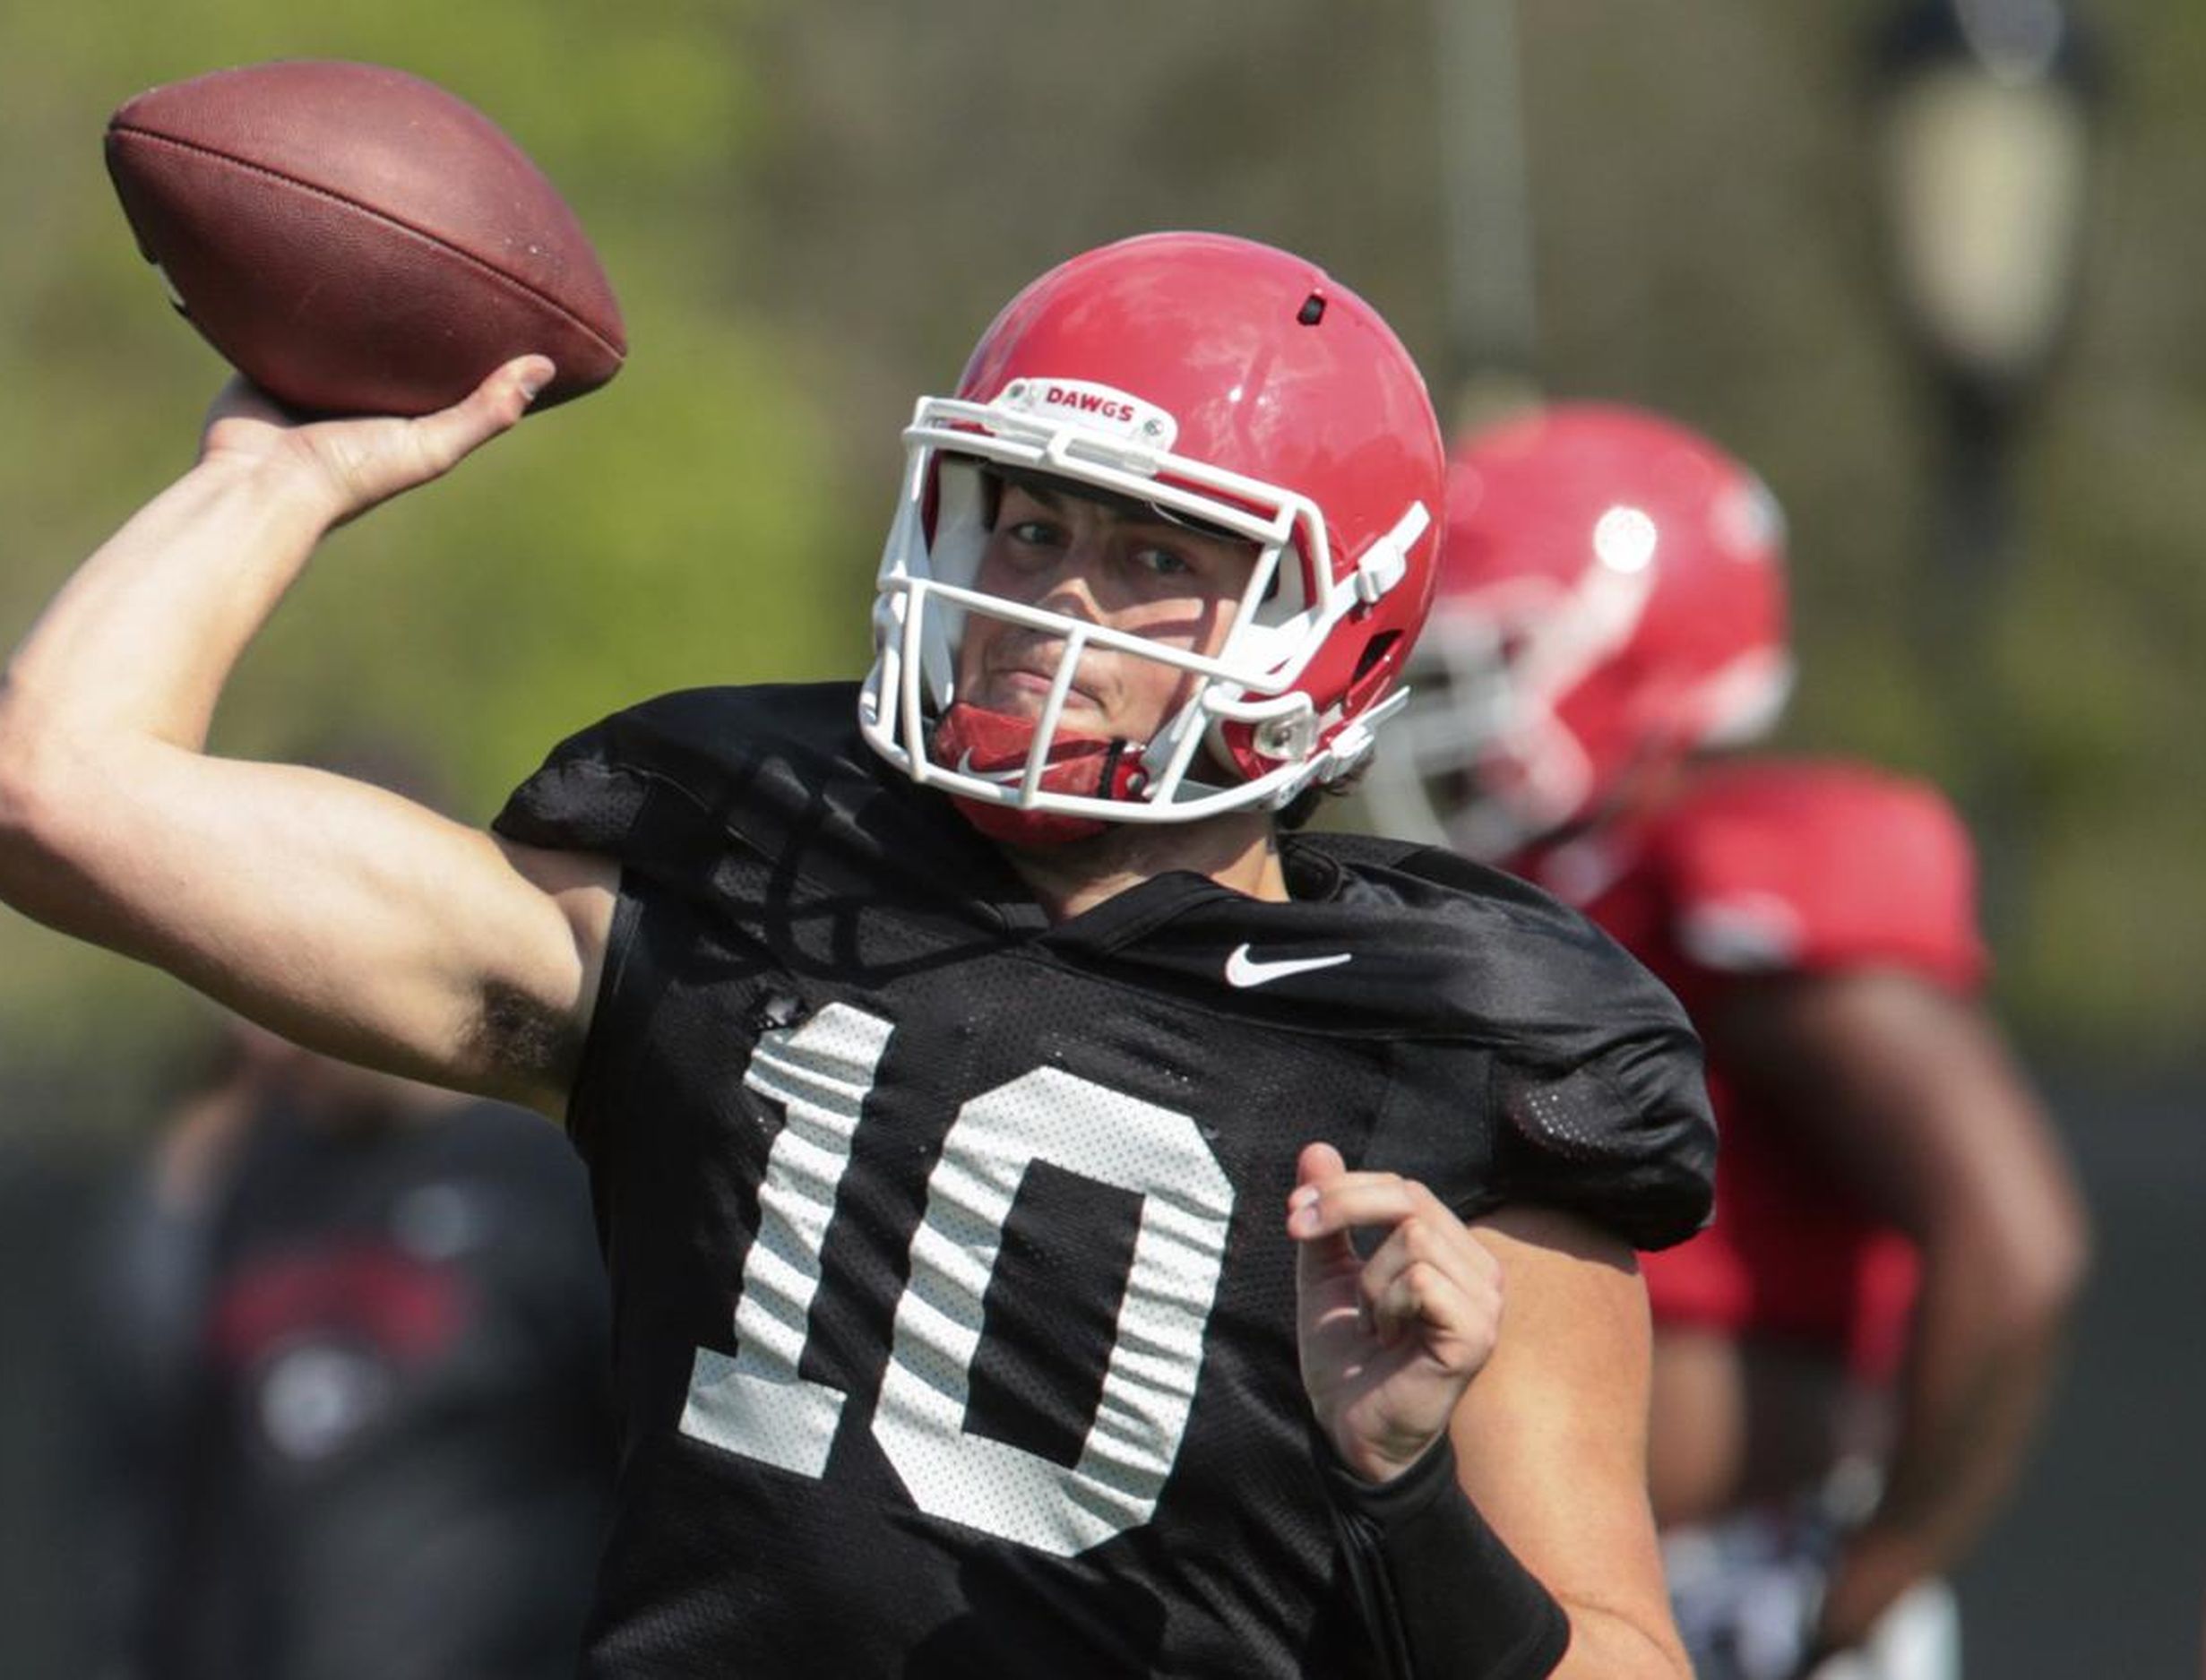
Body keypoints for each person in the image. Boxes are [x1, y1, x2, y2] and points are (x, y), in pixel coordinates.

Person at [0, 231, 1717, 1677]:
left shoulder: (1460, 1047)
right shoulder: (745, 885)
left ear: (1336, 621)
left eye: (1153, 557)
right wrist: (277, 477)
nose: (1057, 607)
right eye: (1031, 530)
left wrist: (1406, 1492)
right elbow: (55, 793)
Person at [1366, 402, 2091, 1679]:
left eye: (1493, 657)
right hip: (1545, 1579)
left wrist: (1872, 1577)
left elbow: (2016, 1237)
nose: (1449, 703)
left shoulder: (1737, 863)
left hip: (1735, 1587)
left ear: (1626, 654)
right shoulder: (1564, 889)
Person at [71, 1010, 615, 1680]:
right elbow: (175, 1494)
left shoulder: (551, 1178)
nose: (260, 1042)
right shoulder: (249, 1180)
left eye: (276, 999)